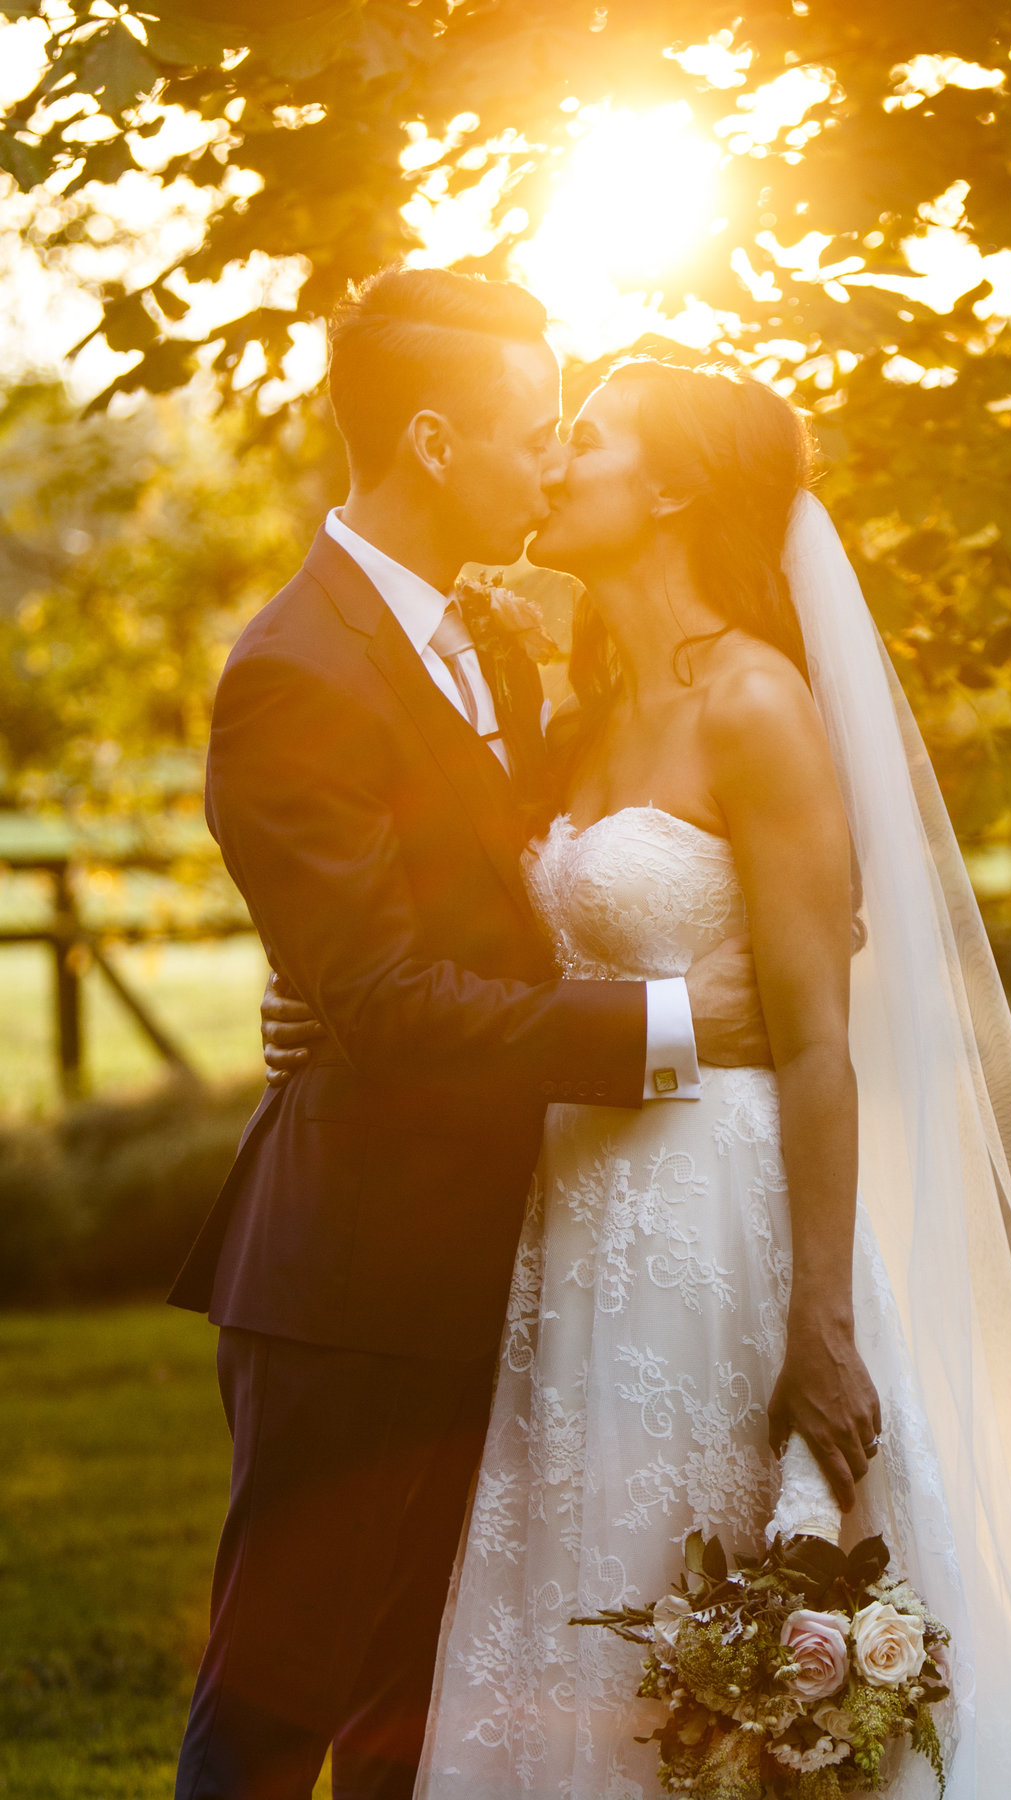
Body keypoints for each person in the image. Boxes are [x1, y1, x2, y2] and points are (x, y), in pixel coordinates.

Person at [269, 357, 1011, 1799]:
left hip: (724, 1223)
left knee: (736, 1583)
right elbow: (463, 943)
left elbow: (816, 1044)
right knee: (576, 1603)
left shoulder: (757, 706)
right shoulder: (570, 711)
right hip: (567, 1223)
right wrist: (316, 1005)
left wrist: (818, 1317)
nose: (550, 463)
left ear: (670, 486)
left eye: (587, 442)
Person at [168, 268, 771, 1800]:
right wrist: (664, 1021)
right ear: (435, 441)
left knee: (418, 1713)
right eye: (529, 428)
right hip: (353, 1279)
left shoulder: (500, 647)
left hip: (514, 1256)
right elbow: (379, 999)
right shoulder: (295, 670)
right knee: (272, 1707)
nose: (554, 456)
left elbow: (482, 918)